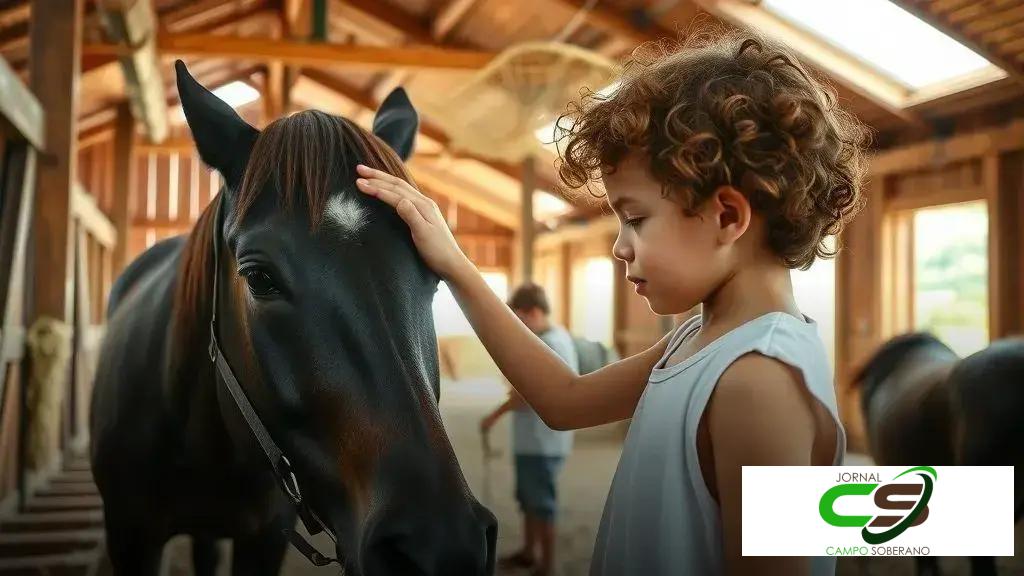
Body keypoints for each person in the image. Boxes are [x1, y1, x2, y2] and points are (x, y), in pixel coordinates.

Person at [355, 29, 866, 576]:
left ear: (727, 217)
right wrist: (455, 263)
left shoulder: (757, 378)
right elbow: (564, 400)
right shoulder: (700, 338)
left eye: (636, 218)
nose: (621, 247)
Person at [479, 283, 577, 576]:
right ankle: (528, 551)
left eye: (519, 317)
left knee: (541, 503)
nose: (518, 325)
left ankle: (547, 564)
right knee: (528, 499)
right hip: (532, 441)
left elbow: (531, 393)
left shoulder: (551, 343)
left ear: (533, 313)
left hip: (542, 442)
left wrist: (494, 415)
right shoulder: (549, 337)